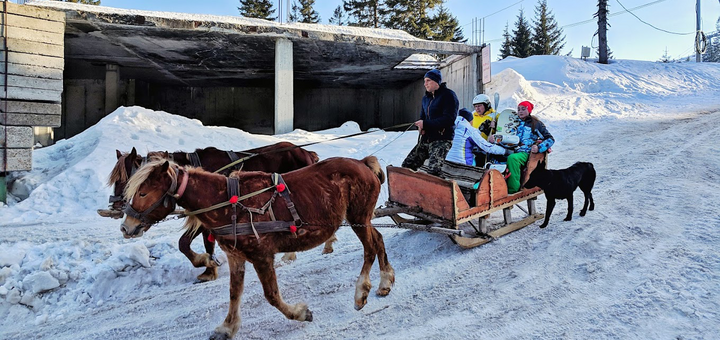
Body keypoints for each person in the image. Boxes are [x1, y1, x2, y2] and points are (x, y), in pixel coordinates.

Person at [402, 69, 458, 176]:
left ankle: (442, 190)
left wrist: (426, 124)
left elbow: (449, 119)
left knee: (433, 171)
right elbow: (423, 117)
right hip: (427, 138)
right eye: (424, 81)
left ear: (436, 81)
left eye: (428, 80)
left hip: (442, 139)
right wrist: (422, 127)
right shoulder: (425, 98)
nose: (425, 84)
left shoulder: (448, 95)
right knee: (407, 166)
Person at [506, 100, 555, 194]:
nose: (520, 111)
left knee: (513, 158)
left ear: (529, 110)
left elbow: (550, 139)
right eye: (519, 109)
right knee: (495, 155)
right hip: (512, 148)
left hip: (526, 152)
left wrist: (539, 147)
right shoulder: (514, 122)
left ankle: (513, 188)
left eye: (523, 109)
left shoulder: (536, 124)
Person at [445, 108, 509, 166]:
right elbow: (486, 147)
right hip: (463, 163)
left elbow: (463, 137)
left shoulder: (449, 127)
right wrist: (505, 151)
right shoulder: (469, 130)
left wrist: (479, 130)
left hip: (447, 161)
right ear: (470, 120)